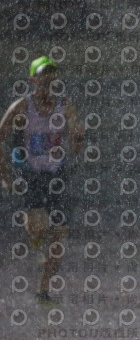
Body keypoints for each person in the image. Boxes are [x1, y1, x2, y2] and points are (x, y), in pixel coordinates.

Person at [0, 56, 84, 304]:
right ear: (33, 79)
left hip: (56, 174)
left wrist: (78, 138)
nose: (48, 80)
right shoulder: (22, 107)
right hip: (31, 174)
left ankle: (43, 289)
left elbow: (76, 138)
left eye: (52, 75)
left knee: (58, 235)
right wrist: (5, 175)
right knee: (38, 229)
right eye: (43, 75)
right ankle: (36, 233)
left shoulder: (65, 106)